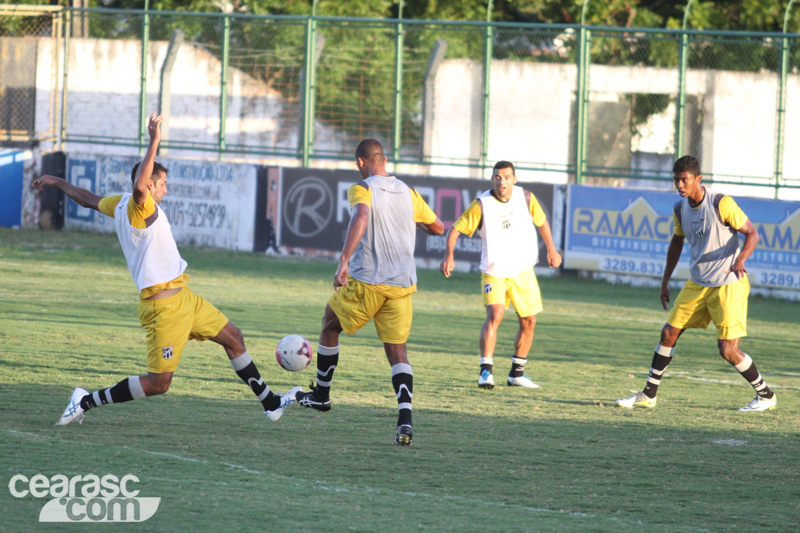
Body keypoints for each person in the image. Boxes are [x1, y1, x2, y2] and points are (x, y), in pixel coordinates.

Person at [34, 113, 300, 426]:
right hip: (164, 309)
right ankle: (85, 400)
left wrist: (55, 181)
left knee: (234, 338)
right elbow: (138, 189)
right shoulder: (138, 205)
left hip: (185, 299)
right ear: (148, 184)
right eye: (162, 184)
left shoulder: (119, 204)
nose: (166, 190)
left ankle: (270, 403)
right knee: (159, 383)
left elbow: (88, 199)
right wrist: (154, 142)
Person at [294, 139, 444, 446]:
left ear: (361, 162)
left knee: (329, 325)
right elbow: (438, 227)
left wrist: (343, 261)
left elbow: (361, 216)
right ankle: (405, 419)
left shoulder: (362, 188)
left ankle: (322, 395)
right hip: (402, 285)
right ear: (385, 160)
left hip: (368, 282)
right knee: (397, 351)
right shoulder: (409, 192)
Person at [618, 155, 777, 412]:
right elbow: (677, 242)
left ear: (698, 179)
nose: (680, 185)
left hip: (728, 283)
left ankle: (766, 395)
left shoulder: (720, 203)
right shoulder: (679, 209)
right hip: (698, 283)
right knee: (668, 333)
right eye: (676, 180)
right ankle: (649, 394)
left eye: (685, 180)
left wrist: (741, 260)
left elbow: (752, 233)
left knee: (727, 350)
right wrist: (665, 280)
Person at [440, 161, 562, 390]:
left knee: (529, 321)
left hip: (523, 270)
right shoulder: (481, 204)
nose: (502, 181)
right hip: (494, 272)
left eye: (506, 177)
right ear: (492, 179)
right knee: (495, 314)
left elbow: (542, 222)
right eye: (497, 177)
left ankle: (517, 374)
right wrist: (449, 256)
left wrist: (552, 249)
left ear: (514, 179)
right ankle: (486, 372)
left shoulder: (525, 197)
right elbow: (455, 229)